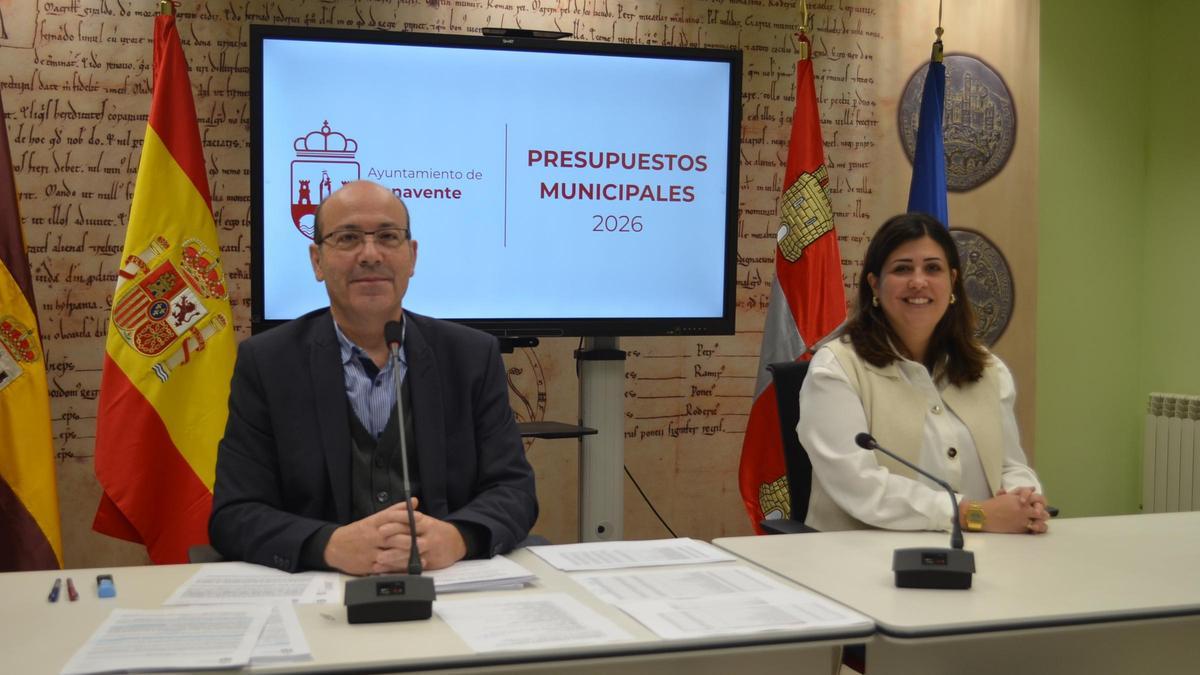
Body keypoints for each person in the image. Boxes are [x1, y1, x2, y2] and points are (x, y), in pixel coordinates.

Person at [210, 180, 538, 574]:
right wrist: (326, 545)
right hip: (320, 596)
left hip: (448, 589)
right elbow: (235, 513)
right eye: (348, 238)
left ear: (412, 256)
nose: (370, 255)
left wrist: (459, 537)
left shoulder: (471, 357)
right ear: (317, 260)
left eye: (387, 237)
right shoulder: (267, 363)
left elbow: (515, 491)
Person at [797, 213, 1049, 535]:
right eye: (902, 269)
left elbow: (1009, 464)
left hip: (985, 553)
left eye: (933, 268)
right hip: (861, 563)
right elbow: (860, 485)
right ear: (875, 284)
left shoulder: (988, 370)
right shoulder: (835, 370)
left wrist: (1024, 500)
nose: (919, 282)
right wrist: (971, 514)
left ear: (953, 281)